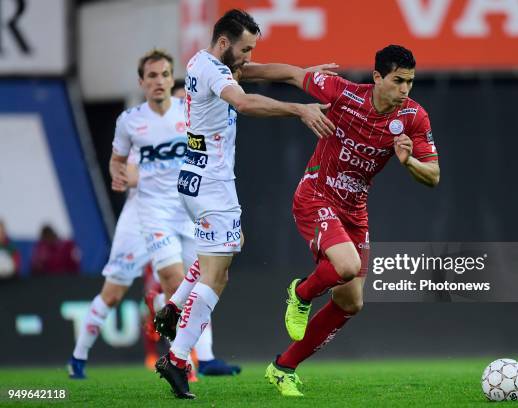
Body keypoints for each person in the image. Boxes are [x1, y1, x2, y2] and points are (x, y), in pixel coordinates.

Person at [152, 9, 336, 399]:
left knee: (222, 251)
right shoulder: (219, 72)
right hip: (212, 187)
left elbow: (261, 72)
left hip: (194, 179)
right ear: (224, 43)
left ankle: (173, 306)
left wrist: (304, 75)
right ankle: (177, 358)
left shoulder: (203, 62)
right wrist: (299, 109)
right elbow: (246, 102)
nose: (249, 56)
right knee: (217, 276)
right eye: (245, 48)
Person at [254, 45, 441, 397]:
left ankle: (283, 368)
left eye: (411, 82)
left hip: (355, 210)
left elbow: (433, 176)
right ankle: (301, 292)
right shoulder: (342, 92)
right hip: (316, 195)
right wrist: (235, 73)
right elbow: (292, 73)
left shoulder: (415, 117)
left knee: (350, 301)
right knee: (346, 265)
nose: (405, 90)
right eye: (398, 81)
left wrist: (409, 163)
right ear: (377, 77)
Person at [68, 49, 239, 379]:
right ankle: (82, 356)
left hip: (186, 210)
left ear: (171, 78)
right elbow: (119, 162)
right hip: (148, 213)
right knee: (130, 290)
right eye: (152, 76)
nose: (159, 81)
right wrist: (119, 174)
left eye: (164, 75)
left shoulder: (188, 113)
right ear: (142, 82)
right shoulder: (131, 122)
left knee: (203, 280)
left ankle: (205, 358)